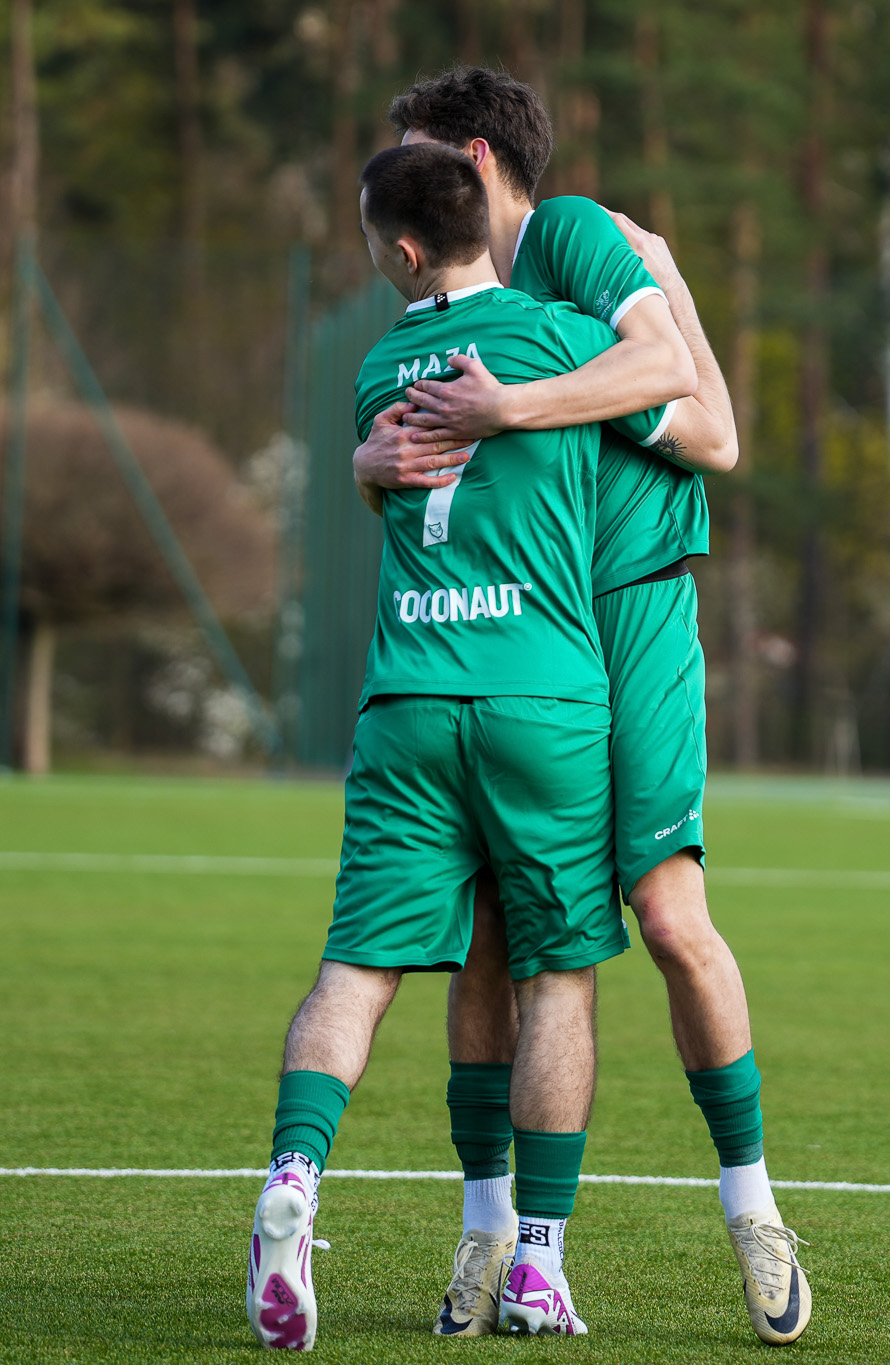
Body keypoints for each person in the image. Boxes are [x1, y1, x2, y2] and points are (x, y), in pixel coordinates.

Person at [353, 68, 810, 1348]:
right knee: (495, 936)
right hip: (518, 635)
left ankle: (753, 1206)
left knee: (668, 918)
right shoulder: (452, 305)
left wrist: (528, 396)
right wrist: (366, 464)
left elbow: (710, 429)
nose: (403, 176)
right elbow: (410, 464)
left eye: (419, 150)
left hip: (632, 611)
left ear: (474, 158)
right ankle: (491, 1234)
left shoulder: (564, 234)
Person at [246, 141, 673, 1350]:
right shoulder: (564, 337)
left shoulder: (378, 366)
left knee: (354, 971)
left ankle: (293, 1174)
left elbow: (386, 475)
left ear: (401, 251)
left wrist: (360, 466)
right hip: (544, 703)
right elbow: (681, 395)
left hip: (408, 700)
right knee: (556, 982)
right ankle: (536, 1265)